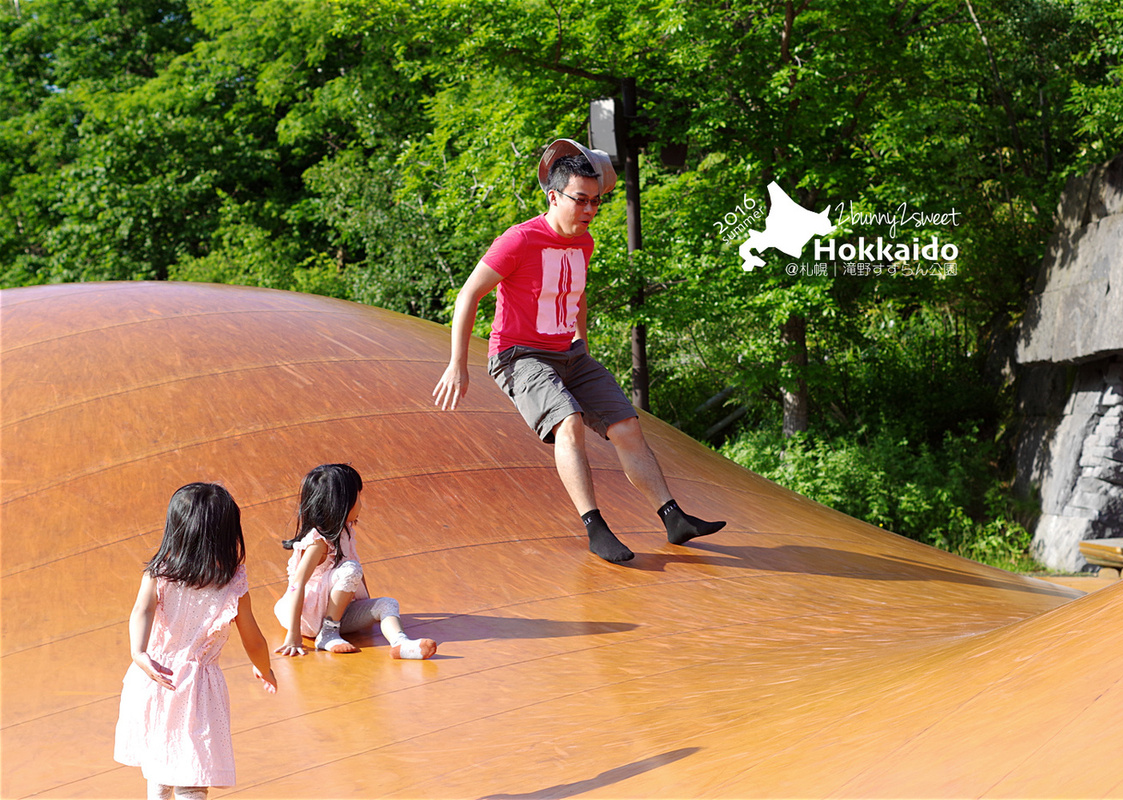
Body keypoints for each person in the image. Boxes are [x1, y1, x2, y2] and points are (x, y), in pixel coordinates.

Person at [432, 138, 725, 563]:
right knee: (567, 423)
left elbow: (577, 295)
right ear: (554, 197)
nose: (589, 211)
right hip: (519, 355)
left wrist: (581, 344)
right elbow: (468, 295)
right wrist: (457, 363)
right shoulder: (518, 241)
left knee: (626, 426)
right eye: (581, 201)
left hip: (570, 353)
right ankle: (596, 529)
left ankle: (674, 518)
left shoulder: (583, 242)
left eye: (596, 203)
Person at [114, 483, 277, 800]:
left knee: (159, 760)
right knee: (191, 769)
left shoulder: (159, 571)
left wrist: (139, 653)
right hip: (198, 689)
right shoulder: (231, 582)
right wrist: (265, 668)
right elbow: (253, 639)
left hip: (154, 677)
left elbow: (141, 609)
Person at [273, 463, 437, 659]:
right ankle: (328, 635)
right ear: (341, 503)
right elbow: (296, 584)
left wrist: (367, 607)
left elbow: (355, 568)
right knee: (351, 569)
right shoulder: (318, 542)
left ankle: (401, 644)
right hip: (308, 617)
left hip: (340, 612)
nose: (361, 504)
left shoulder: (346, 531)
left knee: (387, 604)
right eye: (358, 498)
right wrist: (293, 635)